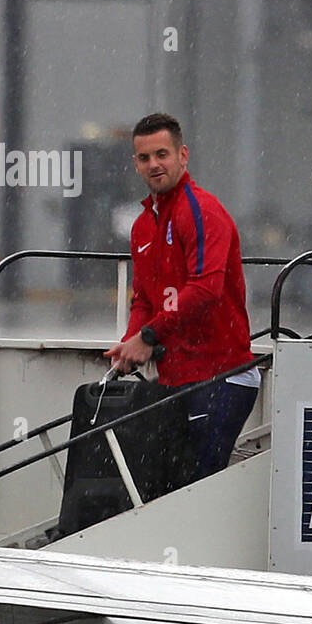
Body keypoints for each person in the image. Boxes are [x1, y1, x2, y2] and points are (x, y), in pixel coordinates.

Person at [104, 112, 258, 482]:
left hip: (222, 376)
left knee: (195, 487)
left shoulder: (201, 211)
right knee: (167, 487)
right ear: (136, 164)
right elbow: (143, 299)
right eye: (144, 158)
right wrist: (131, 343)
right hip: (175, 377)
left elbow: (206, 289)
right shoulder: (143, 225)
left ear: (182, 155)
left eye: (162, 154)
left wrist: (149, 337)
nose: (154, 165)